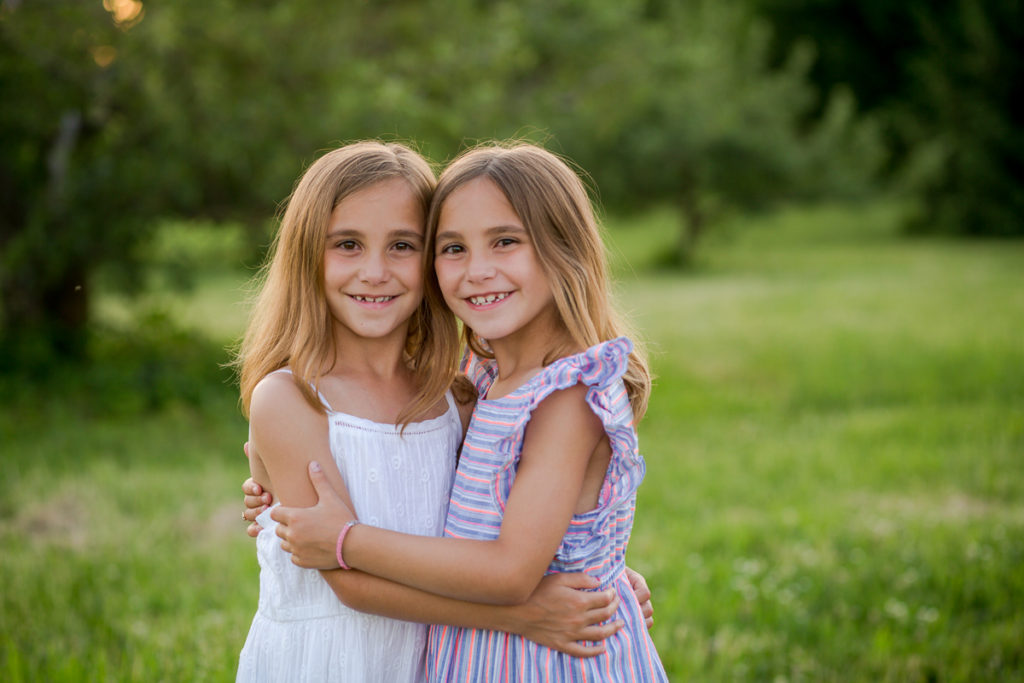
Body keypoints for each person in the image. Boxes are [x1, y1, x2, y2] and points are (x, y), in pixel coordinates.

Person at [233, 141, 638, 683]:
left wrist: (601, 571)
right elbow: (347, 580)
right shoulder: (293, 398)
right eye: (348, 244)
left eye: (402, 245)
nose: (375, 271)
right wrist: (525, 615)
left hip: (433, 659)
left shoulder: (459, 398)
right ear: (307, 253)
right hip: (329, 660)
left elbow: (507, 530)